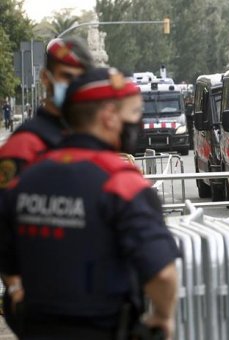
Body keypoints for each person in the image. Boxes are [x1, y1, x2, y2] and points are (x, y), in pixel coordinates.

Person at [0, 68, 179, 339]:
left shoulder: (27, 179)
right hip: (102, 328)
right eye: (133, 113)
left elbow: (7, 256)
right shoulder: (122, 184)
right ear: (108, 117)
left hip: (35, 327)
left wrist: (15, 295)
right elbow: (162, 275)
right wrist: (163, 317)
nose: (138, 122)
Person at [0, 37, 93, 190]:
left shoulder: (93, 137)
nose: (74, 85)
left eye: (81, 79)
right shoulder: (23, 146)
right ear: (45, 77)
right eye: (67, 76)